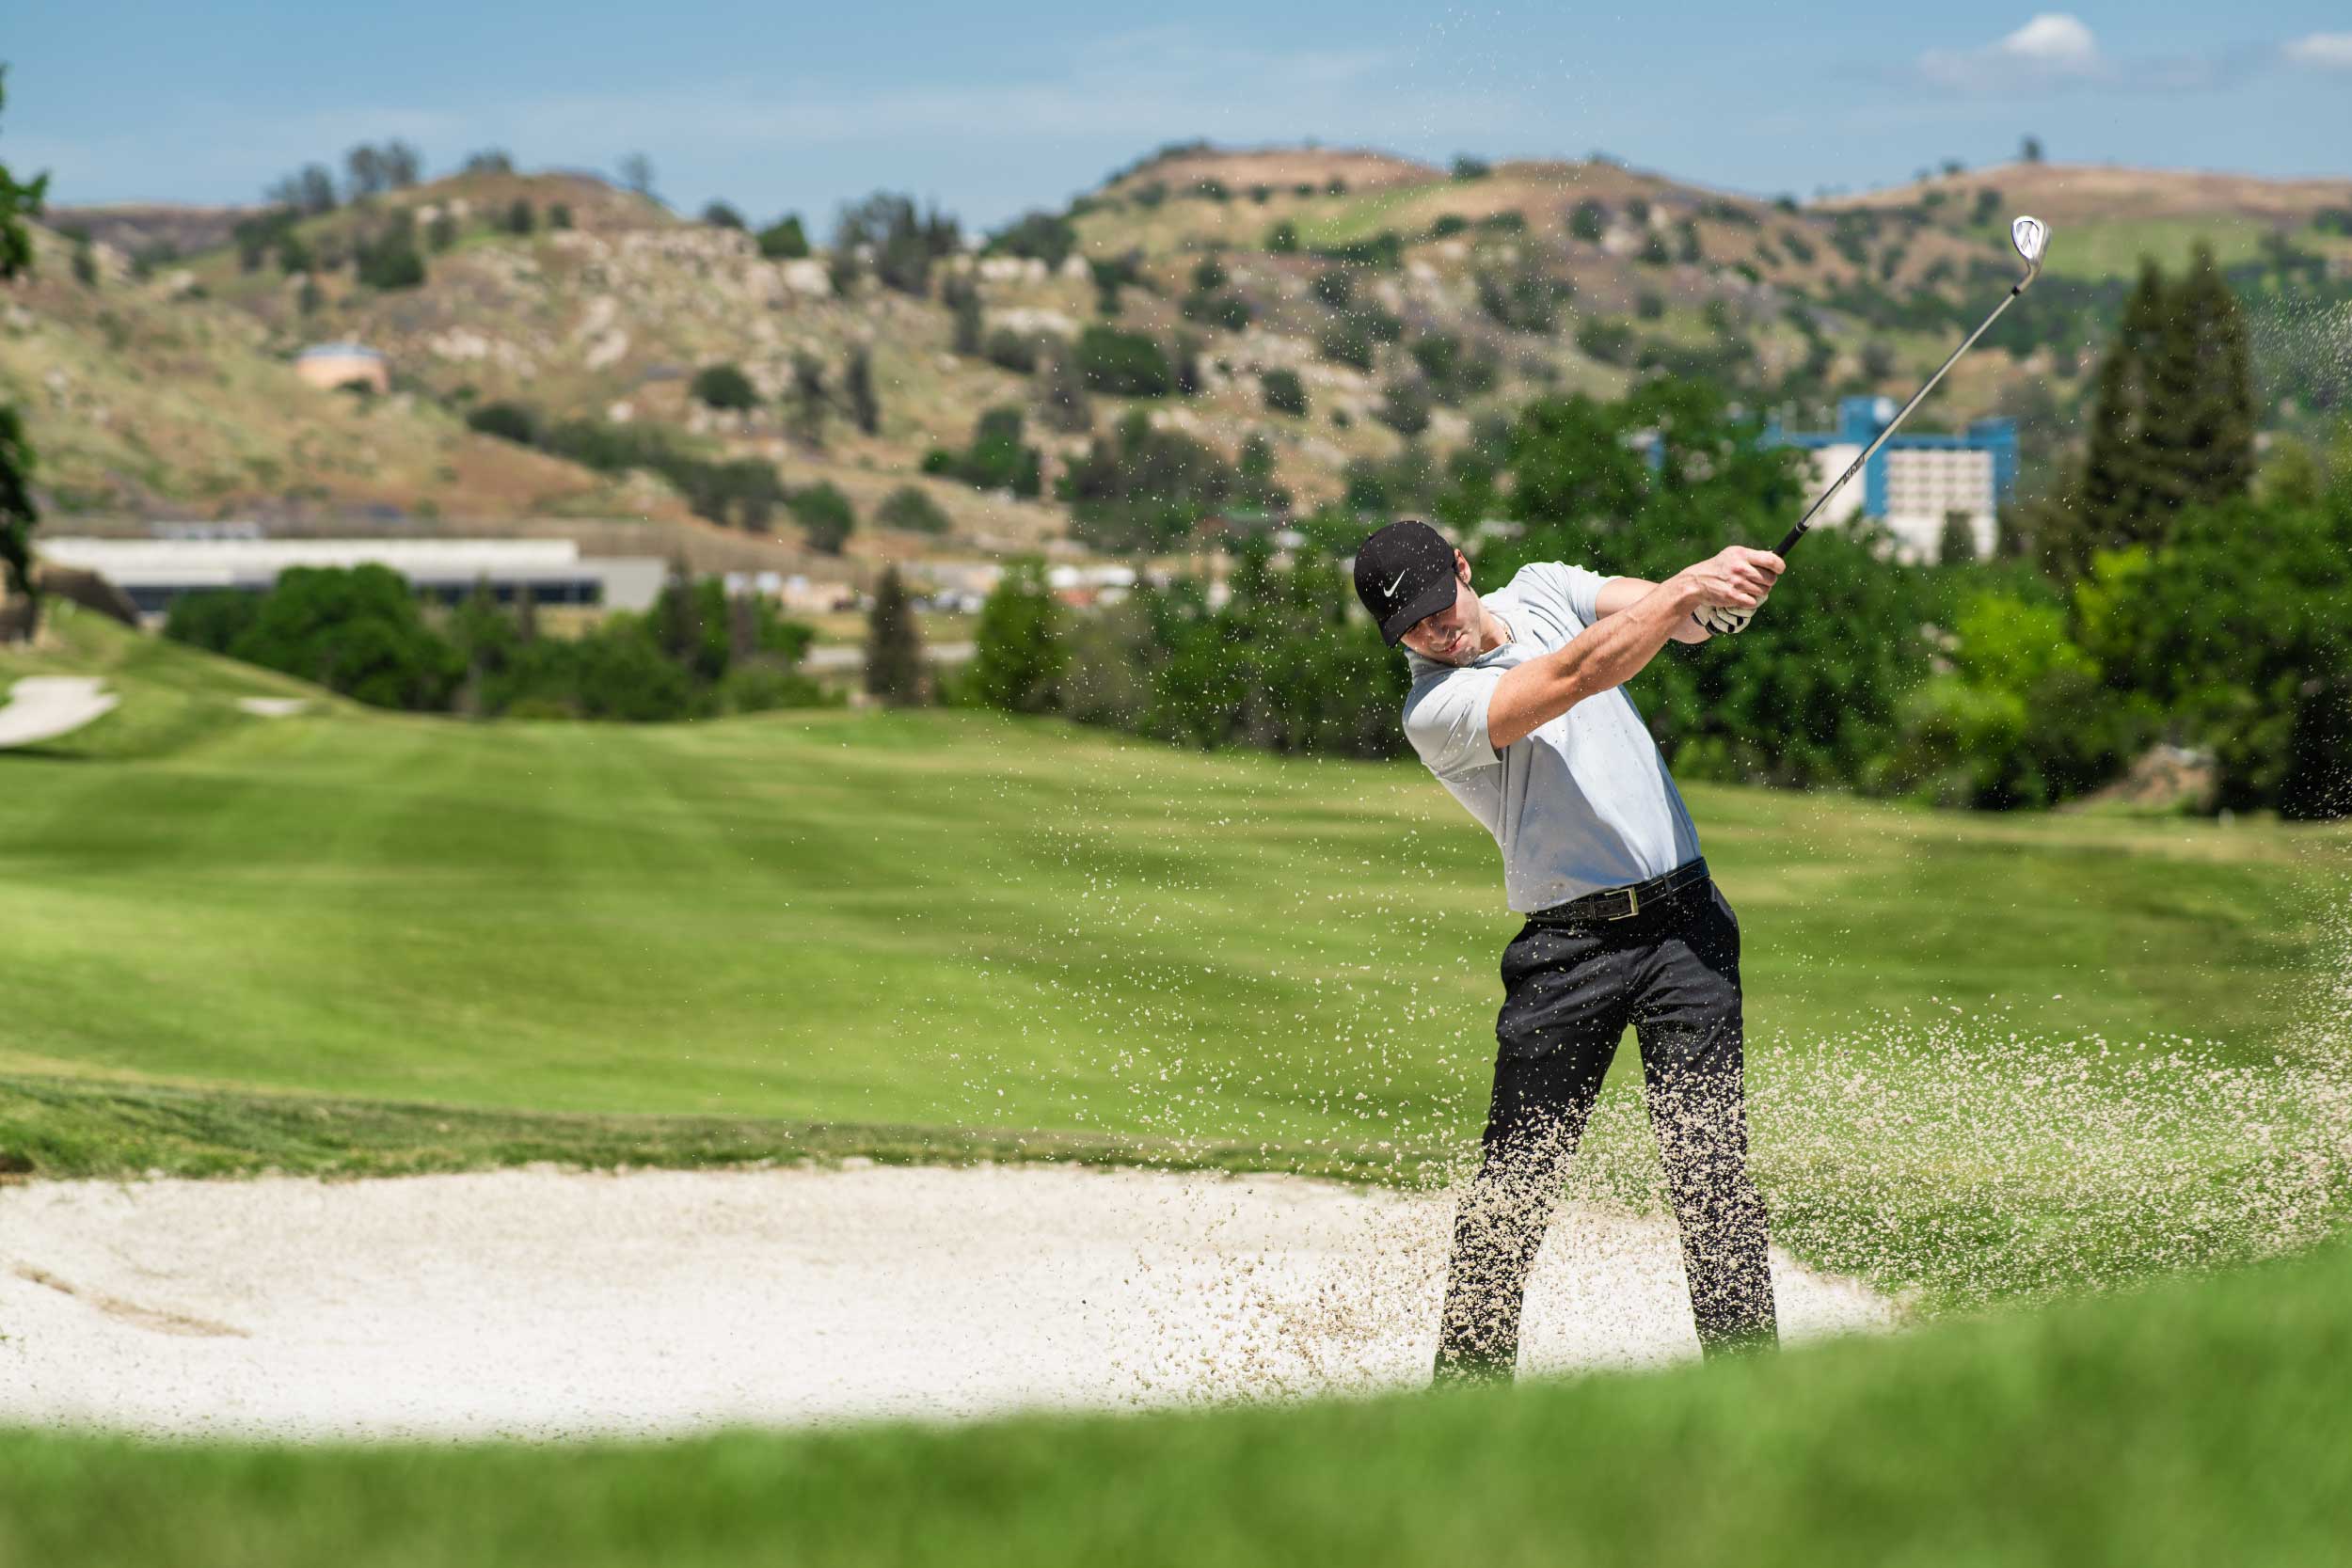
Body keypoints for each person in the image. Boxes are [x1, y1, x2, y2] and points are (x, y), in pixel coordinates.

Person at [1351, 518, 1787, 1379]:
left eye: (1442, 608)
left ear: (1464, 568)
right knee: (1514, 1189)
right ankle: (1467, 1393)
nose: (1436, 633)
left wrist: (1721, 596)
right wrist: (1685, 589)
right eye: (1412, 629)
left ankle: (1753, 1385)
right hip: (1567, 955)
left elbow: (1674, 621)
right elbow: (1581, 672)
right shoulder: (1433, 709)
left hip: (1684, 928)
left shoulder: (1544, 587)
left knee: (1710, 1173)